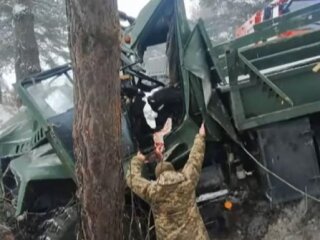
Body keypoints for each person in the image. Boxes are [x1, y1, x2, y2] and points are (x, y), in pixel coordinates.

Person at [126, 123, 209, 240]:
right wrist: (200, 136)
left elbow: (132, 179)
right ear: (173, 170)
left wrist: (138, 159)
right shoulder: (186, 181)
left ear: (157, 176)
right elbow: (195, 159)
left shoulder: (153, 192)